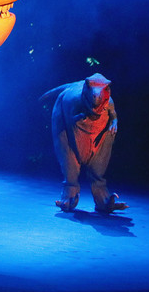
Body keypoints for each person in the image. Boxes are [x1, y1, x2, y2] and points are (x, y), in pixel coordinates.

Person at [40, 73, 127, 213]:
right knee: (68, 158)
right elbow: (73, 117)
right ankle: (69, 194)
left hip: (97, 132)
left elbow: (113, 114)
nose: (97, 95)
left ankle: (102, 198)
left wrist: (114, 121)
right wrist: (81, 116)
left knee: (99, 163)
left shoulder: (108, 102)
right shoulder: (75, 100)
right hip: (68, 125)